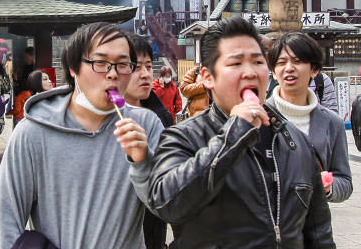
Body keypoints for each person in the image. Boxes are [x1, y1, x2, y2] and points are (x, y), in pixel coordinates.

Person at [148, 17, 335, 247]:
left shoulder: (293, 141)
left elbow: (319, 233)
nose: (250, 72)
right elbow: (167, 203)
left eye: (258, 62)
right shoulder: (183, 138)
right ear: (208, 77)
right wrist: (235, 134)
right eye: (236, 64)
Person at [0, 23, 162, 248]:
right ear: (73, 67)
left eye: (123, 64)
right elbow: (3, 220)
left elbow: (165, 207)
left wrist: (143, 162)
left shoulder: (146, 125)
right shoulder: (33, 133)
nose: (113, 74)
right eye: (100, 63)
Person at [266, 32, 352, 203]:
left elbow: (345, 182)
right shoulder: (259, 117)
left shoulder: (332, 123)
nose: (289, 68)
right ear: (274, 73)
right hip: (266, 222)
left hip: (312, 224)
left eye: (297, 61)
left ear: (314, 70)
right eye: (282, 62)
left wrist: (328, 187)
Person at [124, 34, 172, 249]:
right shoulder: (103, 117)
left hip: (152, 225)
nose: (145, 74)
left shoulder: (161, 117)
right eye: (136, 67)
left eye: (148, 66)